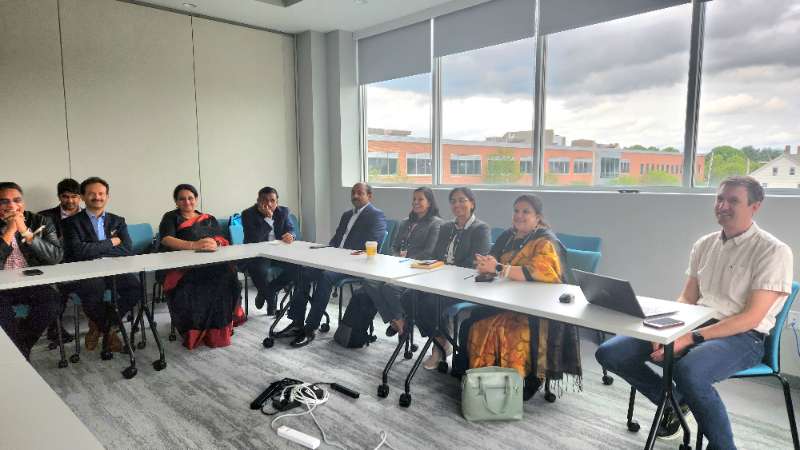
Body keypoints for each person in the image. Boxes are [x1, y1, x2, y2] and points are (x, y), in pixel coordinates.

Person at [595, 176, 793, 450]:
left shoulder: (773, 251)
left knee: (689, 371)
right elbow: (687, 298)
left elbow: (750, 318)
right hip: (694, 322)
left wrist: (687, 338)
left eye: (733, 201)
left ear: (755, 206)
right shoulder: (705, 244)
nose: (723, 206)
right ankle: (676, 402)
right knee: (610, 352)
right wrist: (664, 328)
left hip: (743, 336)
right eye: (719, 199)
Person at [464, 194, 582, 397]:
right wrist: (486, 262)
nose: (519, 215)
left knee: (508, 331)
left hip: (538, 309)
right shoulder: (508, 235)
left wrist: (498, 267)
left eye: (526, 211)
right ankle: (477, 381)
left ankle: (525, 382)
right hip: (506, 300)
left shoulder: (545, 241)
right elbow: (494, 256)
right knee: (472, 322)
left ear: (538, 217)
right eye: (516, 211)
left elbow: (539, 272)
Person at [275, 182, 386, 348]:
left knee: (325, 277)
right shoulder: (347, 214)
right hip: (333, 259)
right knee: (303, 272)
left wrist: (343, 256)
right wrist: (326, 252)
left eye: (360, 193)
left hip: (354, 264)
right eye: (353, 192)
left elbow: (374, 242)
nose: (355, 196)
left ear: (369, 196)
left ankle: (310, 328)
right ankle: (297, 323)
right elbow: (336, 239)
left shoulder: (376, 215)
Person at [158, 184, 245, 349]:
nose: (187, 202)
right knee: (197, 285)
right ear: (176, 201)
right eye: (182, 199)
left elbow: (220, 239)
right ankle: (195, 330)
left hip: (211, 262)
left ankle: (219, 329)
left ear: (196, 199)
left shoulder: (208, 218)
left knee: (227, 277)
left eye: (190, 198)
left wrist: (215, 243)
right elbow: (166, 239)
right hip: (183, 267)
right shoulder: (171, 217)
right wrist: (193, 245)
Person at [414, 187, 491, 369]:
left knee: (430, 303)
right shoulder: (446, 227)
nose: (457, 204)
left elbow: (475, 262)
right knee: (410, 296)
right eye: (453, 201)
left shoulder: (481, 229)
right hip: (440, 280)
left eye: (462, 200)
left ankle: (438, 348)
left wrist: (446, 273)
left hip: (464, 284)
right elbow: (436, 255)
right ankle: (441, 341)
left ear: (472, 204)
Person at [62, 177, 141, 353]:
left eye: (101, 193)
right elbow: (79, 251)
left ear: (107, 196)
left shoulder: (118, 221)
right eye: (92, 193)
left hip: (114, 268)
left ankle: (103, 326)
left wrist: (94, 250)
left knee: (135, 288)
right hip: (87, 271)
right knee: (92, 292)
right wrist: (111, 242)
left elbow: (127, 249)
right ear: (83, 197)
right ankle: (109, 331)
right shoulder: (70, 223)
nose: (97, 197)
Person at [361, 187, 443, 337]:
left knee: (389, 288)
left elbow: (429, 252)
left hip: (417, 270)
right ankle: (398, 321)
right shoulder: (405, 222)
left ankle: (399, 322)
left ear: (430, 203)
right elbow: (394, 246)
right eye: (414, 199)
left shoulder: (436, 223)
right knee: (369, 281)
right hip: (398, 267)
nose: (416, 202)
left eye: (420, 199)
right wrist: (397, 257)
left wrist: (406, 259)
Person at [0, 182, 63, 360]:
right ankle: (19, 354)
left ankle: (20, 350)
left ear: (23, 203)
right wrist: (10, 230)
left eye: (17, 200)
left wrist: (25, 232)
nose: (12, 205)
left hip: (30, 281)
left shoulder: (40, 221)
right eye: (4, 201)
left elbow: (55, 257)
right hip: (1, 286)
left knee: (52, 302)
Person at [38, 178, 82, 345]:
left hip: (83, 263)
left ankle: (102, 325)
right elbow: (42, 248)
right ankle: (54, 328)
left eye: (74, 196)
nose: (70, 201)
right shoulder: (44, 217)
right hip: (56, 265)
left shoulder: (89, 216)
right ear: (59, 197)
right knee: (58, 286)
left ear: (80, 197)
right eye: (65, 196)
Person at [242, 186, 296, 316]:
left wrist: (291, 235)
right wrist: (267, 219)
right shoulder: (248, 214)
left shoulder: (283, 211)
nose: (269, 204)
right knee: (258, 270)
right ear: (258, 201)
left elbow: (291, 229)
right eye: (265, 200)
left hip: (279, 252)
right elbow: (254, 239)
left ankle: (268, 291)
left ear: (277, 201)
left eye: (272, 200)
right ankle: (271, 302)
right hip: (257, 253)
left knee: (297, 268)